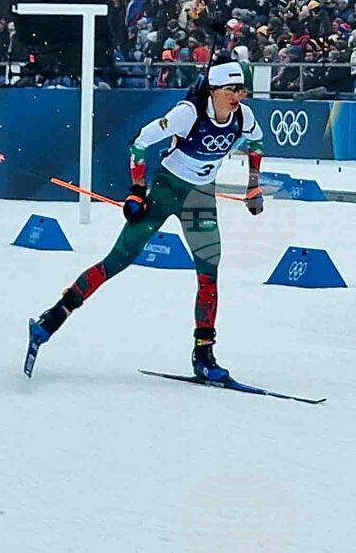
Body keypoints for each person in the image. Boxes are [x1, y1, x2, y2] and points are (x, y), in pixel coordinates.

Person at [29, 61, 265, 380]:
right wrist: (137, 191)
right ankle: (51, 318)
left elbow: (257, 142)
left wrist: (254, 184)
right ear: (214, 89)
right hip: (167, 190)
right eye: (232, 90)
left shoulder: (243, 117)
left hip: (200, 198)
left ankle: (204, 355)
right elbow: (140, 141)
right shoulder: (187, 113)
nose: (239, 96)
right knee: (118, 260)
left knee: (209, 272)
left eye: (242, 90)